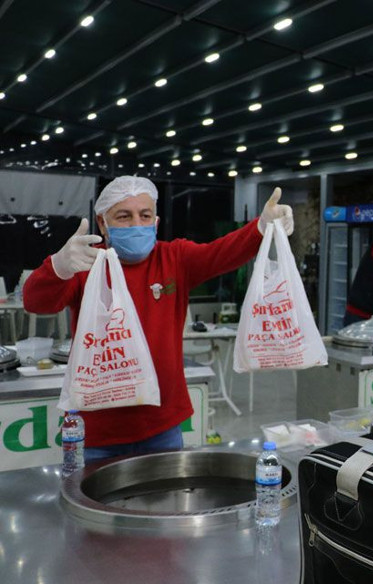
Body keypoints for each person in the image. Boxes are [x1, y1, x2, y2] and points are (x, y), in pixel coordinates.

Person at [23, 176, 293, 462]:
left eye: (145, 215)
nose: (136, 224)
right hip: (97, 432)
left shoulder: (174, 258)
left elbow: (221, 253)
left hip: (162, 425)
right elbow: (36, 302)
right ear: (103, 223)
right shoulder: (87, 263)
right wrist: (58, 267)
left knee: (163, 503)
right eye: (124, 216)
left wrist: (261, 228)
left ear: (156, 221)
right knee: (94, 503)